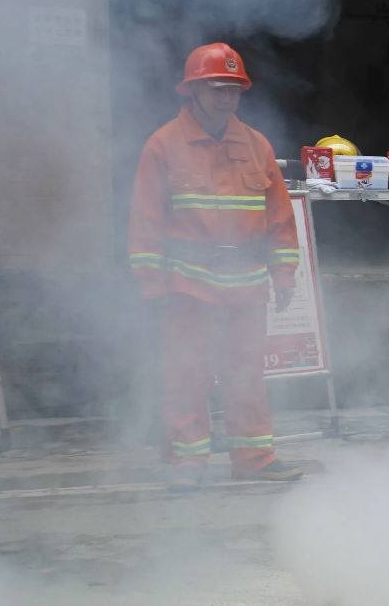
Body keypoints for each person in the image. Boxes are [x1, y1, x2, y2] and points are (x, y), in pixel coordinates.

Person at [129, 42, 304, 489]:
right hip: (187, 286)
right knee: (187, 374)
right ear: (193, 90)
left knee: (246, 376)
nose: (227, 98)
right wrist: (150, 284)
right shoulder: (163, 145)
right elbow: (146, 221)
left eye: (234, 89)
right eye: (217, 88)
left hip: (246, 284)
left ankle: (254, 458)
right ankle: (186, 464)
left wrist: (284, 274)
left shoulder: (257, 145)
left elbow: (280, 219)